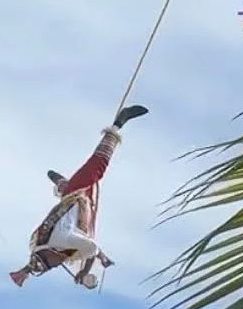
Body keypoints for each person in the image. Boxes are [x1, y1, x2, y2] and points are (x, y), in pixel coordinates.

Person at [9, 105, 149, 289]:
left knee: (97, 166)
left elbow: (92, 248)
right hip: (76, 201)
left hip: (79, 195)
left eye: (52, 264)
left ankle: (117, 125)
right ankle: (60, 182)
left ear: (49, 256)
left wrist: (85, 271)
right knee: (71, 189)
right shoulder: (39, 245)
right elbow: (86, 246)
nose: (58, 264)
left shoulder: (63, 241)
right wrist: (26, 271)